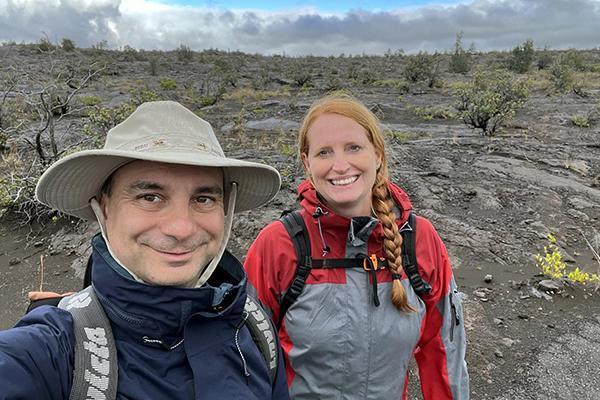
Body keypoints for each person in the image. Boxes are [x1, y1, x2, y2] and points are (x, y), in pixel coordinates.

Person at [0, 101, 289, 399]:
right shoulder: (51, 351)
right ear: (104, 208)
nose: (181, 228)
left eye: (203, 199)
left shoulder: (254, 327)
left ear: (225, 210)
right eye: (150, 197)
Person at [244, 94, 469, 399]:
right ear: (307, 162)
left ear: (377, 155)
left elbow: (444, 352)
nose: (340, 165)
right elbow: (247, 358)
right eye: (324, 152)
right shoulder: (279, 244)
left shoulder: (419, 239)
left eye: (353, 148)